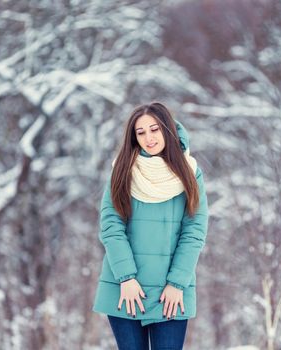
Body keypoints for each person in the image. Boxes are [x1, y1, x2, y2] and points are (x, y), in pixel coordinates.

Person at [92, 102, 209, 350]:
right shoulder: (122, 170)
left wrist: (178, 283)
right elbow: (111, 226)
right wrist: (126, 278)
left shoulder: (190, 172)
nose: (149, 138)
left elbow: (194, 232)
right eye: (140, 132)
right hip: (127, 288)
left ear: (167, 129)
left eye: (154, 129)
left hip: (171, 293)